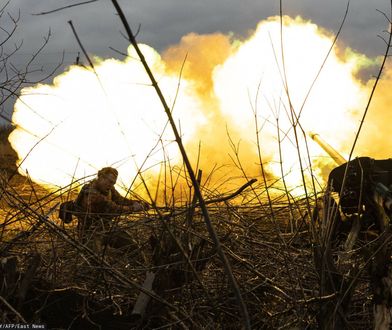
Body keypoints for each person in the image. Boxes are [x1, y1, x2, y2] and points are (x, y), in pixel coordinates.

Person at [75, 167, 148, 251]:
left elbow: (120, 200)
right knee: (95, 260)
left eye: (113, 183)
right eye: (109, 181)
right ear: (101, 177)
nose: (111, 185)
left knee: (132, 246)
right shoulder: (91, 193)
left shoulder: (109, 189)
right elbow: (113, 209)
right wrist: (133, 208)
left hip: (106, 229)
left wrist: (138, 203)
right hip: (90, 234)